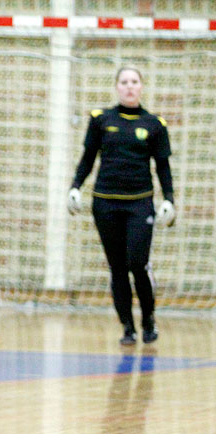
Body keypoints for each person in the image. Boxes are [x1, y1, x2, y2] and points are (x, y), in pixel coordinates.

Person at [67, 65, 175, 346]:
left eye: (134, 81)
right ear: (117, 86)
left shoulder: (154, 124)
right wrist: (75, 187)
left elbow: (162, 166)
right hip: (105, 203)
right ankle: (127, 326)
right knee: (117, 268)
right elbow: (88, 158)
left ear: (141, 86)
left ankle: (148, 318)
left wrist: (169, 199)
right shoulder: (101, 119)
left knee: (137, 263)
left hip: (139, 203)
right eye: (124, 82)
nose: (129, 86)